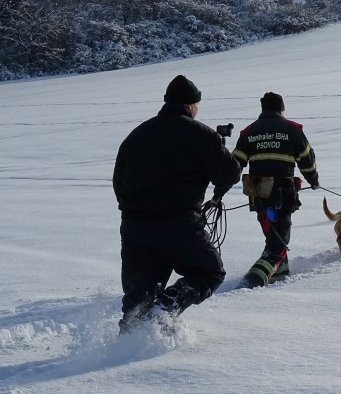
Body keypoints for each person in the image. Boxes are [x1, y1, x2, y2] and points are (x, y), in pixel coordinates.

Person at [113, 74, 241, 333]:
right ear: (191, 105)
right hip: (179, 224)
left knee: (138, 297)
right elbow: (229, 174)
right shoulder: (201, 134)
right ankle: (164, 310)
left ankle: (126, 347)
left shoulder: (137, 134)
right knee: (210, 272)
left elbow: (118, 180)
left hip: (134, 226)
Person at [233, 92, 319, 288]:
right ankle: (254, 280)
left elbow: (235, 164)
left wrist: (220, 189)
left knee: (271, 229)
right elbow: (307, 160)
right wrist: (313, 180)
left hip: (257, 191)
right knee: (279, 240)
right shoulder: (292, 130)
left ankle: (280, 273)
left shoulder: (249, 132)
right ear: (282, 108)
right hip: (282, 191)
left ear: (262, 109)